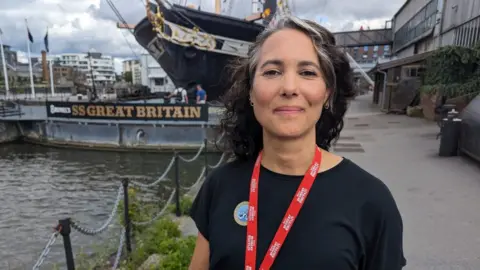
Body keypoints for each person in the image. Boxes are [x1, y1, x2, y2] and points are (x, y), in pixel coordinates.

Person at [189, 16, 406, 270]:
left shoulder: (371, 202)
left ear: (327, 94)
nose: (289, 87)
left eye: (307, 72)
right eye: (272, 72)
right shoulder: (220, 186)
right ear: (250, 91)